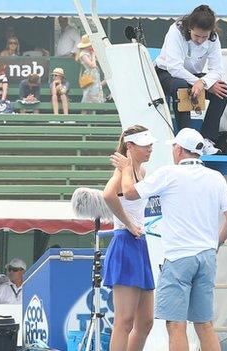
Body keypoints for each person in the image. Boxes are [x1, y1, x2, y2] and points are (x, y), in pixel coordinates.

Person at [111, 127, 227, 351]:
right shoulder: (215, 177)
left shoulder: (169, 173)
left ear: (179, 151)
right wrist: (215, 243)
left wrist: (125, 169)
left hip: (179, 257)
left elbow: (129, 193)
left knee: (176, 325)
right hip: (206, 256)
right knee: (205, 324)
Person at [102, 126, 157, 350]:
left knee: (145, 322)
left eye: (150, 145)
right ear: (130, 146)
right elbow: (107, 195)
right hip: (125, 241)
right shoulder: (122, 169)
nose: (150, 149)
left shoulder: (140, 171)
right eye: (145, 145)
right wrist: (129, 224)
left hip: (139, 243)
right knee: (124, 321)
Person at [154, 5, 227, 144]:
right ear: (190, 28)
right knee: (181, 86)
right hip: (166, 74)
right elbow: (174, 68)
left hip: (194, 76)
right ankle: (185, 139)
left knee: (222, 90)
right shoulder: (175, 31)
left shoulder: (213, 38)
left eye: (204, 37)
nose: (200, 40)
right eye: (196, 35)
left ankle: (208, 139)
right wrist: (200, 83)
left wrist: (204, 83)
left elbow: (217, 69)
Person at [76, 35, 104, 104]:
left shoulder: (89, 52)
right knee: (88, 94)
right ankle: (84, 113)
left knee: (95, 93)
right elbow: (92, 65)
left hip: (95, 75)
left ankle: (93, 112)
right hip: (90, 75)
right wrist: (93, 55)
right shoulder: (83, 54)